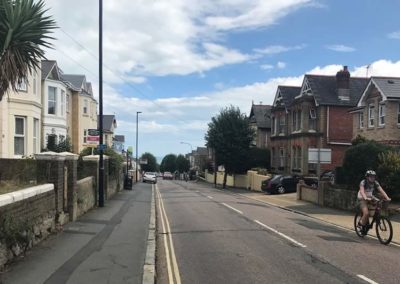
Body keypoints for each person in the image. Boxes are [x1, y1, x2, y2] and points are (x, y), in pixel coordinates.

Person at [357, 170, 391, 234]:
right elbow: (361, 191)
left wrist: (387, 197)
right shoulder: (363, 182)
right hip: (362, 198)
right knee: (366, 213)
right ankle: (360, 224)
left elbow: (381, 190)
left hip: (370, 197)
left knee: (378, 205)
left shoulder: (375, 182)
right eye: (371, 176)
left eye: (374, 176)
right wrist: (365, 197)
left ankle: (374, 219)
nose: (373, 178)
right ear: (367, 177)